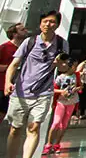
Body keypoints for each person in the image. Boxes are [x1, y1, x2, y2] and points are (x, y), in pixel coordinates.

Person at [5, 10, 69, 158]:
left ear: (57, 24)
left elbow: (63, 68)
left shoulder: (61, 44)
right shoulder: (30, 42)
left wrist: (60, 64)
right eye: (45, 21)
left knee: (34, 127)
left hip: (43, 92)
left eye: (52, 21)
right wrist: (8, 82)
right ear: (40, 24)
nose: (48, 24)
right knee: (15, 129)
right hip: (21, 92)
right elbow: (14, 64)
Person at [44, 55, 77, 154]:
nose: (75, 67)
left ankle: (57, 144)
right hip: (61, 101)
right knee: (56, 122)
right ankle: (48, 144)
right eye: (74, 65)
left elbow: (80, 86)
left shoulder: (77, 76)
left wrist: (77, 89)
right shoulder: (60, 77)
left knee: (64, 124)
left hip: (71, 102)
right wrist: (61, 91)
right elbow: (52, 89)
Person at [0, 24, 28, 121]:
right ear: (14, 34)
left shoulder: (24, 49)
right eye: (22, 29)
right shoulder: (4, 47)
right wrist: (6, 67)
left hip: (14, 88)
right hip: (1, 85)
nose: (26, 31)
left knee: (4, 112)